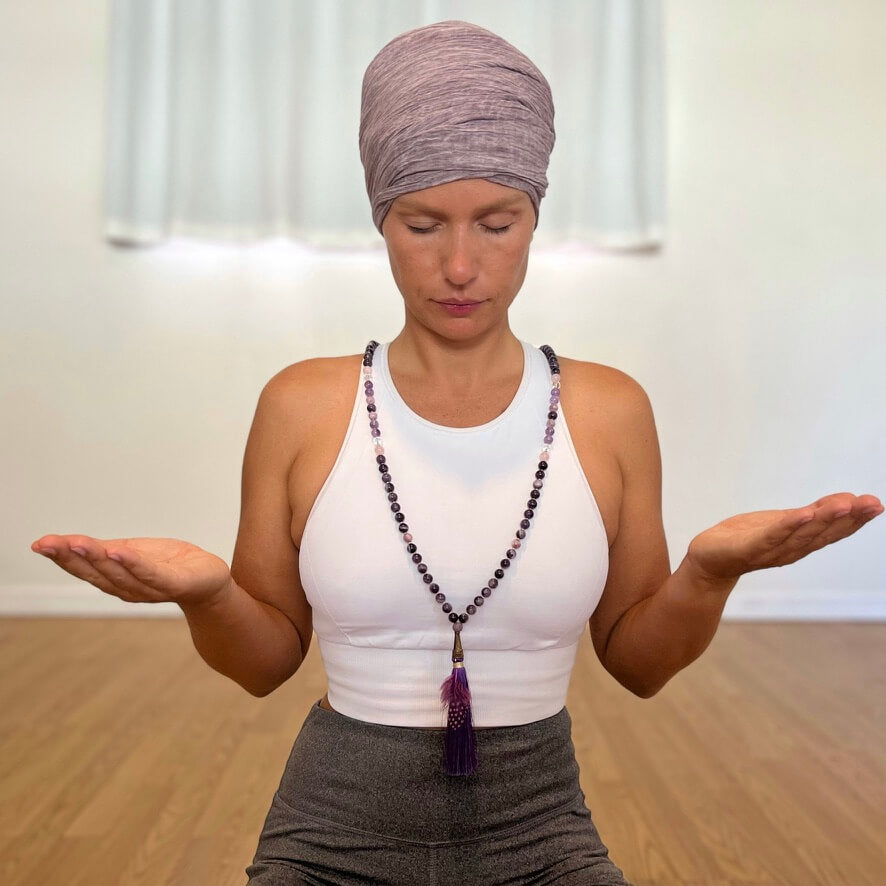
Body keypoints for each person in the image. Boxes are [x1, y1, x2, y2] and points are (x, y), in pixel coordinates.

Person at [32, 20, 882, 886]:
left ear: (535, 219)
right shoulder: (301, 405)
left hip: (541, 833)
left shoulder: (610, 410)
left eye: (497, 223)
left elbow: (639, 664)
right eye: (423, 224)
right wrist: (207, 594)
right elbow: (263, 664)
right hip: (329, 836)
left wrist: (707, 574)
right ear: (382, 222)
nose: (461, 264)